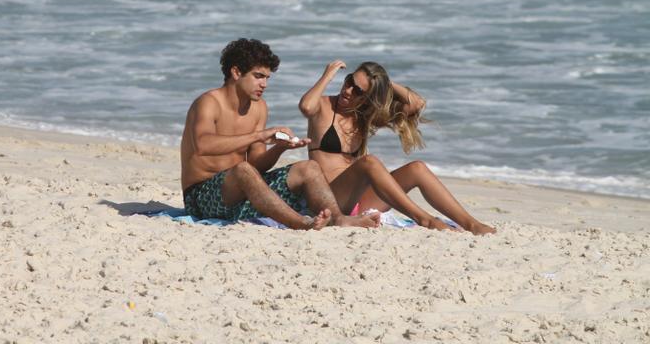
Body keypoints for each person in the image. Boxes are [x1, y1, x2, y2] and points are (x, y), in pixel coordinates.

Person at [180, 39, 380, 230]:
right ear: (236, 72)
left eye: (267, 78)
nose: (264, 84)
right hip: (202, 197)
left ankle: (338, 219)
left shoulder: (259, 108)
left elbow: (258, 164)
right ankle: (301, 223)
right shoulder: (208, 103)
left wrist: (279, 148)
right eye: (258, 76)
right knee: (243, 170)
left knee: (308, 167)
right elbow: (203, 145)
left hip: (241, 195)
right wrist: (258, 135)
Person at [299, 60, 495, 235]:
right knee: (369, 162)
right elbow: (306, 107)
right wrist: (328, 75)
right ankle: (425, 219)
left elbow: (416, 104)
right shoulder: (323, 106)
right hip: (329, 198)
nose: (348, 91)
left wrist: (384, 84)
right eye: (349, 81)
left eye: (358, 90)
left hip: (359, 202)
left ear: (368, 97)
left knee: (417, 168)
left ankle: (471, 224)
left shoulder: (364, 116)